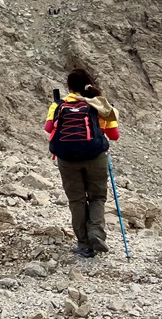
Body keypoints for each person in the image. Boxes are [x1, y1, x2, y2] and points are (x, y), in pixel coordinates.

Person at [45, 69, 121, 258]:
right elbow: (114, 135)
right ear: (90, 84)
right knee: (97, 197)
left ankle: (84, 244)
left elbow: (48, 128)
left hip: (67, 159)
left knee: (77, 200)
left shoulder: (59, 105)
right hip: (95, 157)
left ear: (69, 86)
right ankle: (96, 233)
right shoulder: (99, 104)